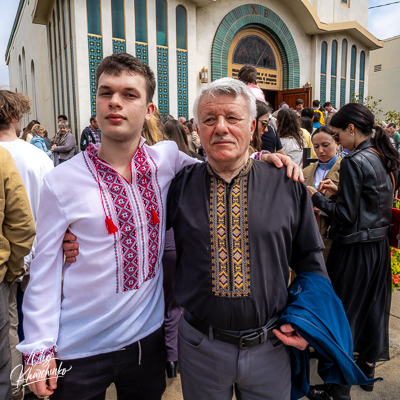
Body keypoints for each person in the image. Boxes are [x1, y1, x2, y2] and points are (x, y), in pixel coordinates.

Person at [19, 53, 300, 400]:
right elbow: (44, 270)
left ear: (149, 110)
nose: (115, 103)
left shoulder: (165, 161)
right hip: (78, 347)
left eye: (129, 94)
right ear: (96, 105)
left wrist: (262, 157)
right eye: (106, 93)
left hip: (145, 341)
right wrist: (38, 348)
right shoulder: (60, 182)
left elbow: (218, 160)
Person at [166, 78, 367, 400]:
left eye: (232, 118)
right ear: (197, 129)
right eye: (209, 119)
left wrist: (305, 322)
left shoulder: (286, 185)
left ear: (252, 127)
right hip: (199, 346)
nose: (220, 128)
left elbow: (310, 264)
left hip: (270, 346)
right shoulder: (178, 186)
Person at [307, 103, 400, 399]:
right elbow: (372, 203)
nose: (337, 142)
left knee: (342, 317)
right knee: (373, 311)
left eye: (336, 134)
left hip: (354, 251)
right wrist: (340, 192)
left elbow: (346, 216)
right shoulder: (383, 155)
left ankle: (339, 390)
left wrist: (317, 197)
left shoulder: (354, 161)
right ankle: (367, 373)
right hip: (378, 247)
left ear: (350, 129)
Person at [0, 90, 54, 400]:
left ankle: (14, 384)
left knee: (8, 328)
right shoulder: (37, 156)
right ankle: (36, 381)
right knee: (32, 323)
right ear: (13, 117)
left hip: (8, 260)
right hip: (35, 255)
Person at [303, 126, 341, 262]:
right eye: (316, 146)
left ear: (337, 143)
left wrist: (323, 206)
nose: (320, 151)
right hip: (306, 235)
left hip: (332, 237)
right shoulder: (306, 172)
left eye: (325, 145)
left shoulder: (346, 170)